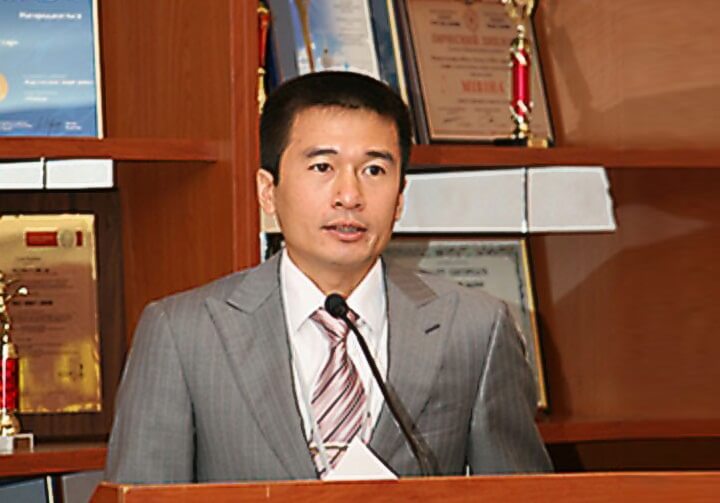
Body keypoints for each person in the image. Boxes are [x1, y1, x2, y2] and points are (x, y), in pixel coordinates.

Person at [104, 71, 552, 483]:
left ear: (399, 198)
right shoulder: (183, 333)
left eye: (374, 170)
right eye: (322, 167)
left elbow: (519, 494)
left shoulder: (474, 329)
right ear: (267, 191)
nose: (349, 196)